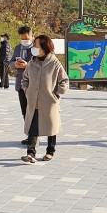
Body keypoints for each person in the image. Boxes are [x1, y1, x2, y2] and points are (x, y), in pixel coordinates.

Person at [21, 35, 69, 163]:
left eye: (36, 45)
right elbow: (24, 79)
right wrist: (27, 91)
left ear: (44, 47)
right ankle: (30, 153)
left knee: (51, 127)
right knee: (32, 127)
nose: (34, 47)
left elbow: (64, 81)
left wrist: (56, 94)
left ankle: (50, 151)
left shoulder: (55, 63)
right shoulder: (31, 63)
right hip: (33, 101)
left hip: (49, 102)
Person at [12, 26, 35, 144]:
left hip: (33, 84)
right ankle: (29, 135)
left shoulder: (37, 48)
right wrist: (15, 64)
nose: (24, 41)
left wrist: (28, 65)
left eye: (26, 39)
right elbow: (10, 62)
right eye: (22, 39)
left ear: (32, 36)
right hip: (20, 83)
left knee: (33, 110)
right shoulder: (17, 48)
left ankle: (34, 136)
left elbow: (41, 65)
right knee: (24, 111)